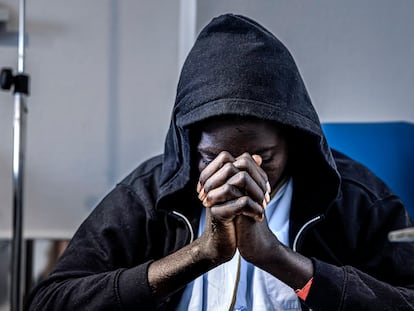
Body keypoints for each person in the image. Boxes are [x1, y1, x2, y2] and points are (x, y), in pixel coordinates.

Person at [26, 14, 414, 311]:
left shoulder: (356, 198)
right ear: (188, 146)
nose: (237, 174)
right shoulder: (148, 193)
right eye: (213, 158)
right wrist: (201, 254)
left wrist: (279, 260)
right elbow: (50, 301)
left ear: (293, 140)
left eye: (263, 157)